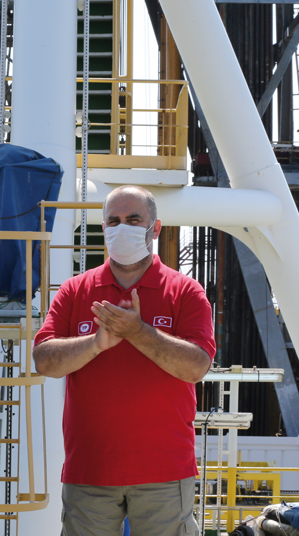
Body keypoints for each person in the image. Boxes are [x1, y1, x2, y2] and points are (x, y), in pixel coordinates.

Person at [33, 185, 215, 536]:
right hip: (90, 470)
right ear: (103, 228)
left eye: (134, 220)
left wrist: (138, 331)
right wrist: (96, 343)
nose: (122, 227)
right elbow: (44, 361)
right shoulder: (75, 291)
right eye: (113, 221)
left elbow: (196, 366)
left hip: (164, 472)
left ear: (155, 228)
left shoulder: (185, 292)